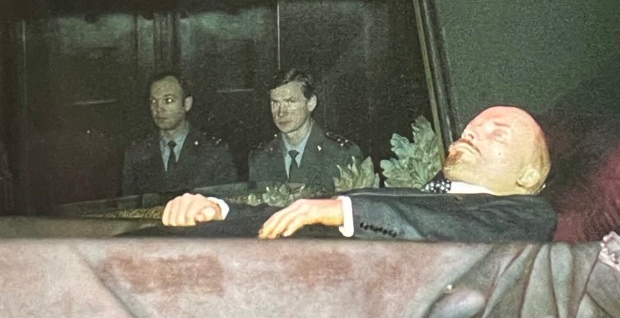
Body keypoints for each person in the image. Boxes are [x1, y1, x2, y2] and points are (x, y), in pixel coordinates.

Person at [160, 105, 557, 243]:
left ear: (529, 174)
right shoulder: (423, 198)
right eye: (470, 126)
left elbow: (449, 231)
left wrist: (344, 211)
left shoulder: (528, 215)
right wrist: (219, 210)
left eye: (497, 132)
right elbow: (299, 217)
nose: (470, 132)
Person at [247, 67, 362, 196]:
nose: (281, 113)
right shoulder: (260, 158)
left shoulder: (341, 155)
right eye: (275, 103)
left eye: (290, 102)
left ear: (311, 103)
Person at [121, 72, 238, 198]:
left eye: (168, 100)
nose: (158, 109)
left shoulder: (214, 151)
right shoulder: (137, 154)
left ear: (187, 104)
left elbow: (227, 202)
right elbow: (128, 204)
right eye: (153, 101)